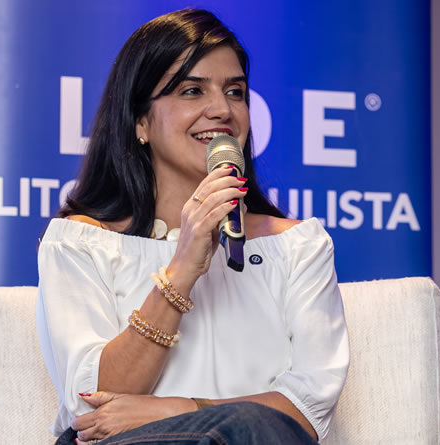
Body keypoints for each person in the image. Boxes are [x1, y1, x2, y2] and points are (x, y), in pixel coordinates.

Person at [36, 8, 349, 445]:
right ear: (140, 121)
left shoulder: (297, 246)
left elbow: (308, 409)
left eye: (235, 92)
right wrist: (183, 267)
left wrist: (177, 408)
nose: (222, 110)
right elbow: (93, 403)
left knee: (252, 427)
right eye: (191, 90)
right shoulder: (80, 243)